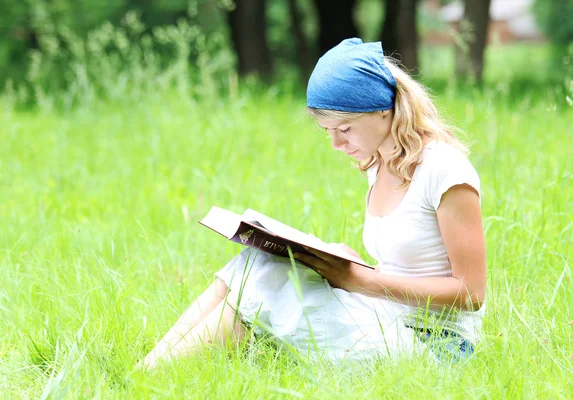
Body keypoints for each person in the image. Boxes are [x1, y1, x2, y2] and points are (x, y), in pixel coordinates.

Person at [139, 38, 487, 369]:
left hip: (440, 344)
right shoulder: (379, 164)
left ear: (382, 110)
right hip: (389, 315)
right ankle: (152, 366)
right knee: (252, 263)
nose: (336, 144)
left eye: (345, 129)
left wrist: (359, 279)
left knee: (264, 289)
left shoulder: (445, 170)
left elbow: (471, 293)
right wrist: (349, 264)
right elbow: (409, 265)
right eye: (327, 131)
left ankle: (151, 378)